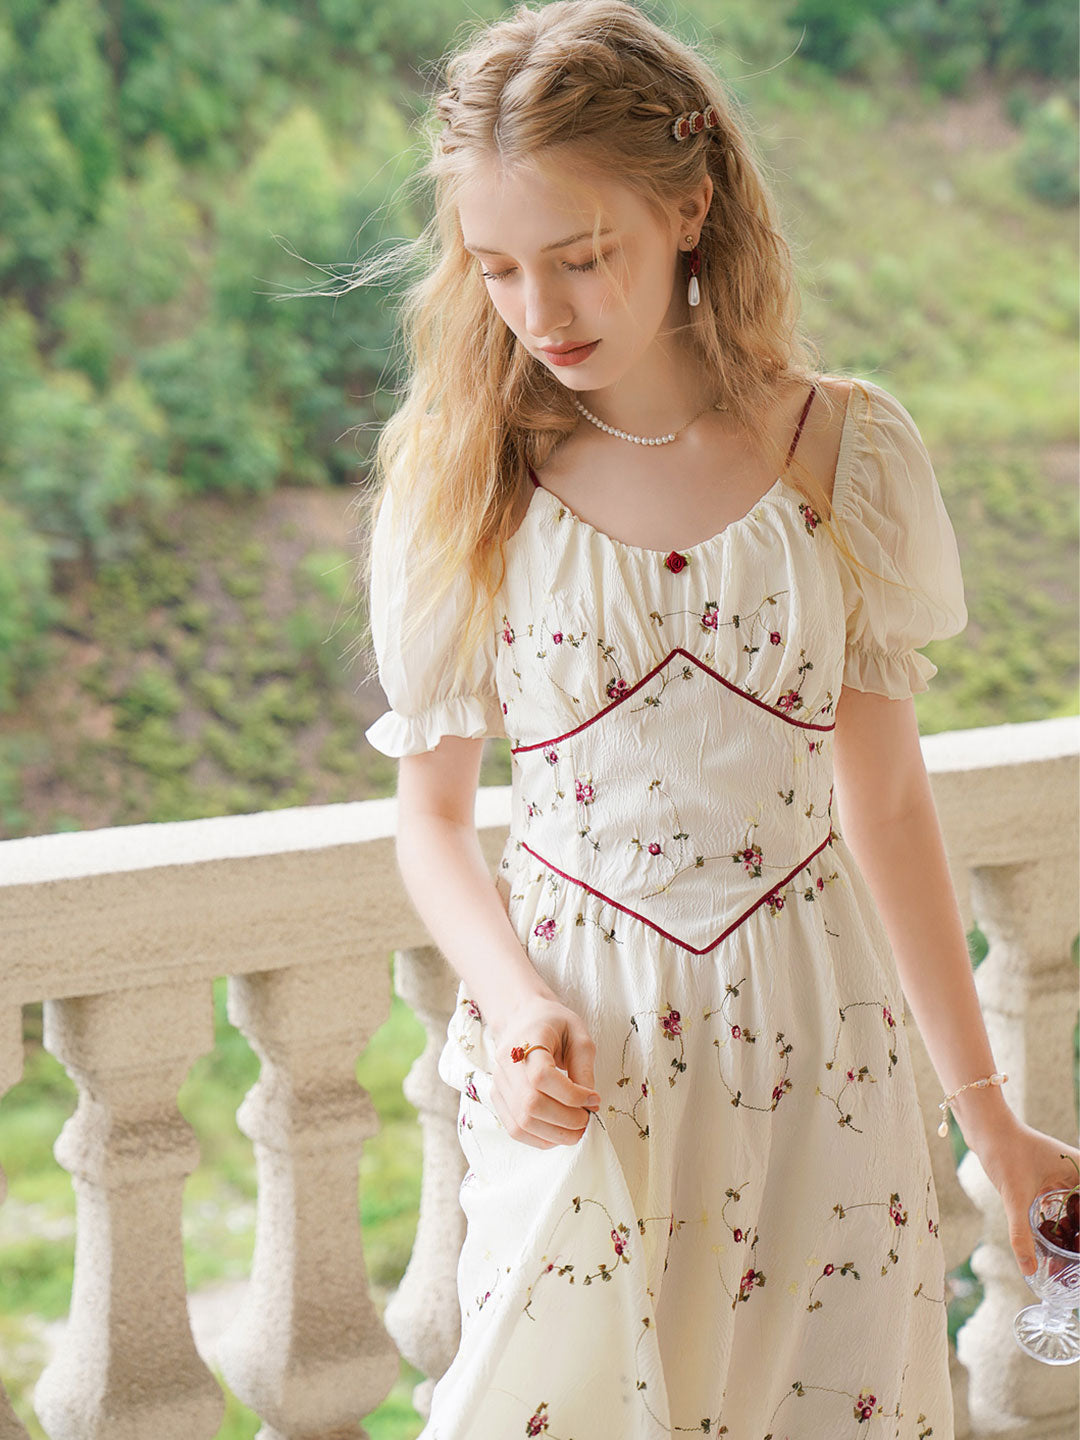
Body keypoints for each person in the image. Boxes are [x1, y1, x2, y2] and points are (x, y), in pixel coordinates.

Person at [357, 2, 1080, 1435]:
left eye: (583, 256)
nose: (542, 311)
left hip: (819, 1043)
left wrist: (988, 1116)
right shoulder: (462, 470)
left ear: (690, 208)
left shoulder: (844, 451)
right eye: (497, 268)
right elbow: (432, 819)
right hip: (578, 1047)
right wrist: (514, 1006)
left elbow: (886, 804)